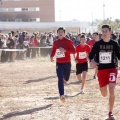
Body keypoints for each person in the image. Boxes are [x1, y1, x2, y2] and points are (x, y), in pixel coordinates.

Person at [89, 24, 120, 120]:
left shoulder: (114, 44)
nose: (104, 33)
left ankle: (110, 113)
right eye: (103, 31)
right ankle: (105, 90)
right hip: (101, 70)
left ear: (110, 32)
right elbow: (90, 56)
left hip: (112, 69)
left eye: (106, 31)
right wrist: (92, 61)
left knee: (111, 90)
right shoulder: (97, 44)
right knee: (104, 94)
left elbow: (119, 56)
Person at [50, 27, 76, 102]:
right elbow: (53, 51)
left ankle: (65, 81)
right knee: (60, 78)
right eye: (59, 32)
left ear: (64, 33)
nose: (60, 33)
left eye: (62, 32)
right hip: (59, 63)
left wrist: (65, 50)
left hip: (67, 63)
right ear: (57, 33)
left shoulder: (68, 41)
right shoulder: (55, 42)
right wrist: (51, 56)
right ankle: (62, 95)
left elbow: (74, 51)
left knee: (66, 78)